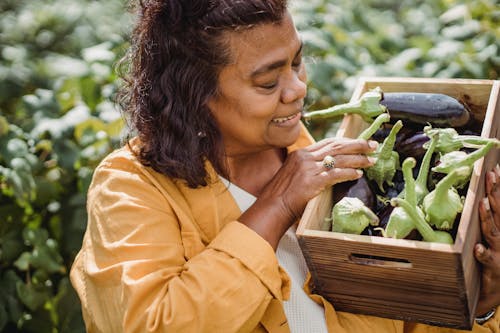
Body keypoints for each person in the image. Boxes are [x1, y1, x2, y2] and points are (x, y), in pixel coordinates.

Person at [69, 0, 500, 332]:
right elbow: (154, 323)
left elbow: (401, 316)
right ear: (194, 93)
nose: (297, 89)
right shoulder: (130, 187)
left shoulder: (326, 160)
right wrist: (277, 204)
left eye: (296, 62)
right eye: (268, 82)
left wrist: (480, 303)